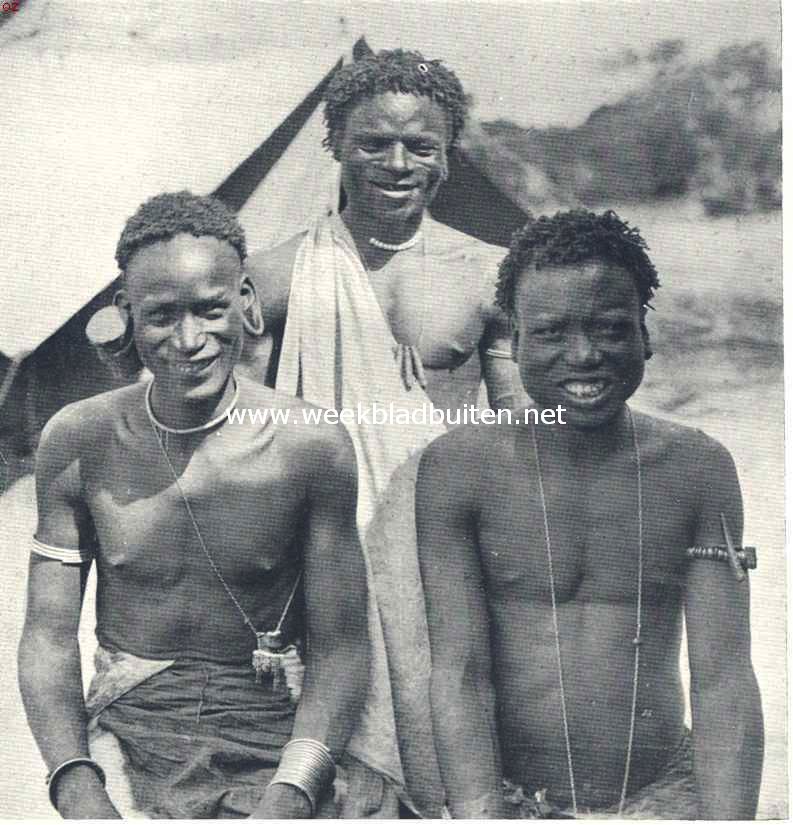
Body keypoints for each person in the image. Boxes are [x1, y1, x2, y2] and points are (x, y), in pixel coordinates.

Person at [17, 191, 399, 818]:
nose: (189, 339)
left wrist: (293, 790)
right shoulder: (80, 440)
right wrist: (75, 782)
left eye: (210, 309)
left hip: (277, 727)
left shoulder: (310, 445)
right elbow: (49, 637)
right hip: (130, 728)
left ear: (245, 303)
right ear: (127, 314)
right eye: (162, 316)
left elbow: (340, 646)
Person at [245, 48, 527, 816]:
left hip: (433, 544)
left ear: (447, 155)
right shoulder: (272, 275)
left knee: (447, 756)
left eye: (420, 146)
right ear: (334, 141)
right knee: (336, 777)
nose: (397, 163)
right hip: (317, 543)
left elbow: (518, 428)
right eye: (373, 142)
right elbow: (219, 415)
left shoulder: (489, 272)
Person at [416, 209, 764, 819]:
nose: (584, 356)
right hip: (512, 803)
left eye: (609, 329)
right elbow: (459, 675)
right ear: (515, 341)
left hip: (666, 795)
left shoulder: (697, 468)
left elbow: (724, 681)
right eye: (551, 333)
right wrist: (479, 814)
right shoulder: (458, 469)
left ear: (645, 336)